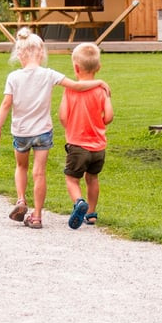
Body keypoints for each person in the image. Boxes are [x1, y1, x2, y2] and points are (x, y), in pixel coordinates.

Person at [0, 28, 108, 229]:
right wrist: (100, 82)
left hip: (21, 132)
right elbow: (77, 86)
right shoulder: (49, 74)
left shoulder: (13, 77)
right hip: (43, 132)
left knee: (21, 167)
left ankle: (20, 200)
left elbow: (5, 105)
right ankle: (36, 216)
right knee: (39, 173)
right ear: (42, 53)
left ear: (19, 54)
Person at [59, 43, 114, 229]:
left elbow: (63, 117)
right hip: (98, 146)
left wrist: (71, 127)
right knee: (93, 178)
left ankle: (78, 202)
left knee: (72, 179)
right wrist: (106, 99)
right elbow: (109, 117)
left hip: (77, 144)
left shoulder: (70, 89)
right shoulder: (101, 91)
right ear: (98, 68)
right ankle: (91, 213)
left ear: (76, 67)